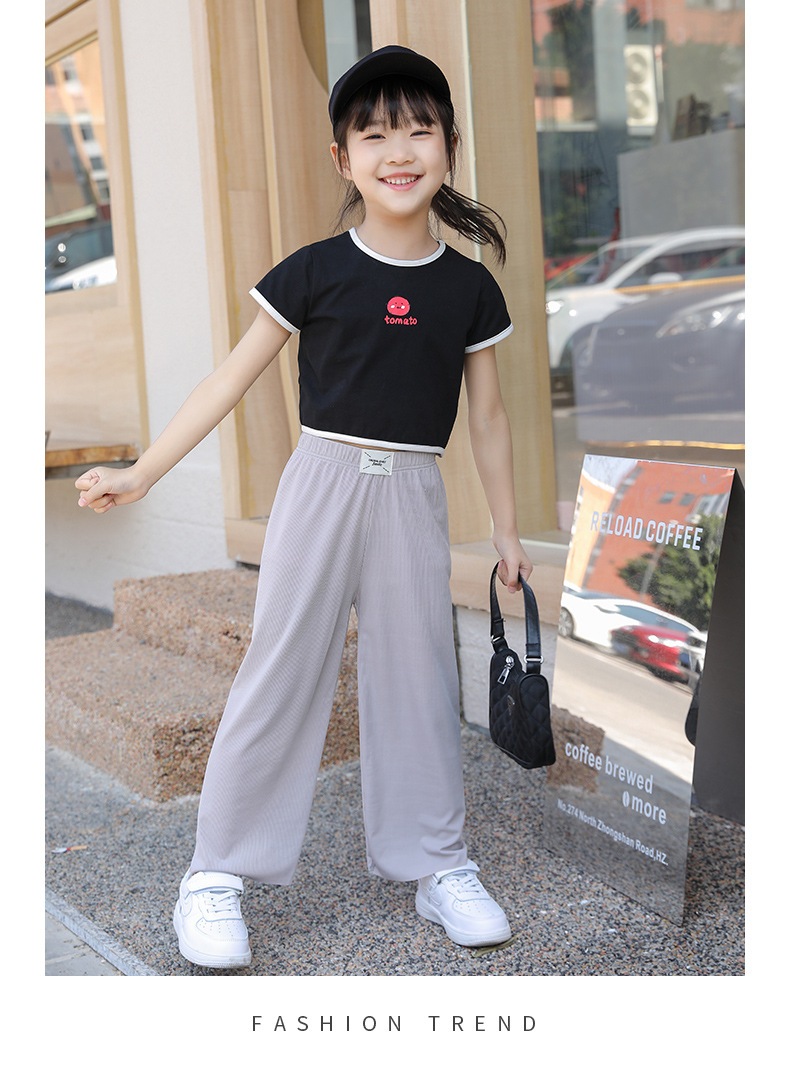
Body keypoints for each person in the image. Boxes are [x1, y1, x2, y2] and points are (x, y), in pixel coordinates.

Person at [75, 45, 534, 970]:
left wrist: (508, 530)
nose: (398, 151)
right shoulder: (315, 271)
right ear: (342, 158)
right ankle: (214, 873)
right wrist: (145, 472)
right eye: (375, 135)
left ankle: (436, 862)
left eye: (419, 130)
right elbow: (228, 380)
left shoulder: (469, 286)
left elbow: (488, 418)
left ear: (449, 147)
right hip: (321, 480)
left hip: (413, 490)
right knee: (280, 670)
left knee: (419, 678)